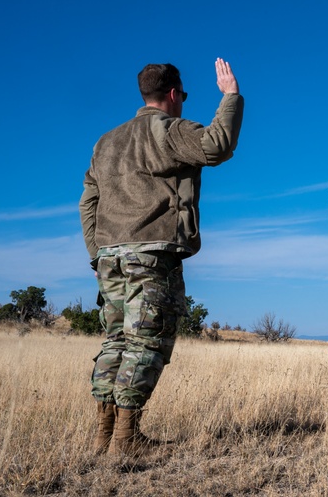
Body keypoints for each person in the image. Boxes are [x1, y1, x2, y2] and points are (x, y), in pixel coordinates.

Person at [80, 59, 244, 455]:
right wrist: (231, 97)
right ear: (173, 95)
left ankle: (104, 435)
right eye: (184, 96)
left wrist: (97, 251)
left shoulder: (106, 142)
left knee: (116, 341)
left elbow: (88, 202)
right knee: (147, 344)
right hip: (151, 255)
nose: (184, 102)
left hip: (109, 258)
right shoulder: (168, 131)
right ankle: (125, 439)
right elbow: (216, 144)